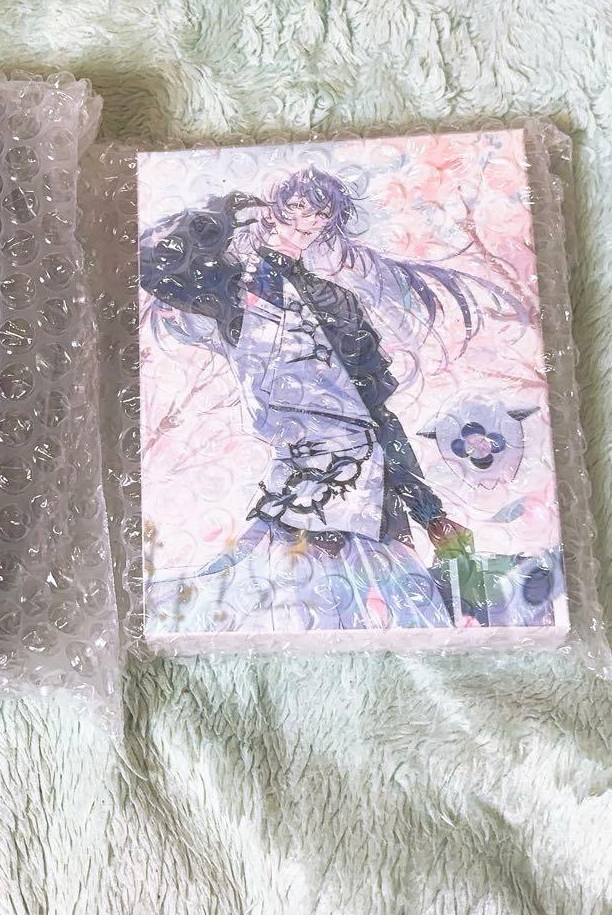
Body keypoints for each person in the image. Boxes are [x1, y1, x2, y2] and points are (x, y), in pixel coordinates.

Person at [140, 167, 519, 631]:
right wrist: (223, 214)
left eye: (320, 213)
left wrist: (430, 512)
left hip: (364, 485)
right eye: (296, 206)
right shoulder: (233, 294)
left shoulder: (335, 300)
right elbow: (153, 266)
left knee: (394, 609)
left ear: (329, 223)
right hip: (294, 486)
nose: (306, 220)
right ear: (275, 210)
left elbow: (377, 416)